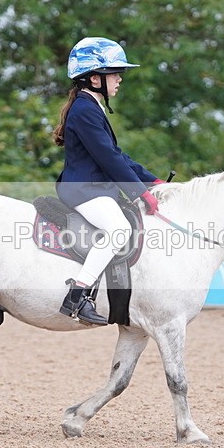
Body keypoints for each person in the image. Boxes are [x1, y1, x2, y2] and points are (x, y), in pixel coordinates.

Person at [52, 37, 163, 326]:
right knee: (119, 229)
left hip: (93, 188)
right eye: (114, 73)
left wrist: (152, 181)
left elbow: (117, 156)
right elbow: (109, 161)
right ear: (94, 78)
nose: (119, 79)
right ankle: (77, 296)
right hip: (83, 189)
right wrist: (141, 194)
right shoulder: (85, 110)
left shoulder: (91, 106)